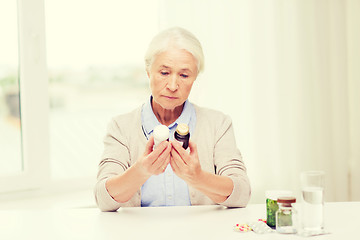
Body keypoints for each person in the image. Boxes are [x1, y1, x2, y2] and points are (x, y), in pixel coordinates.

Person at [94, 27, 251, 211]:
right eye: (164, 72)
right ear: (148, 72)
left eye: (184, 75)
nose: (173, 85)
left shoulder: (218, 124)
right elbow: (103, 199)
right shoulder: (120, 127)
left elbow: (242, 194)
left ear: (195, 78)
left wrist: (198, 177)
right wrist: (141, 171)